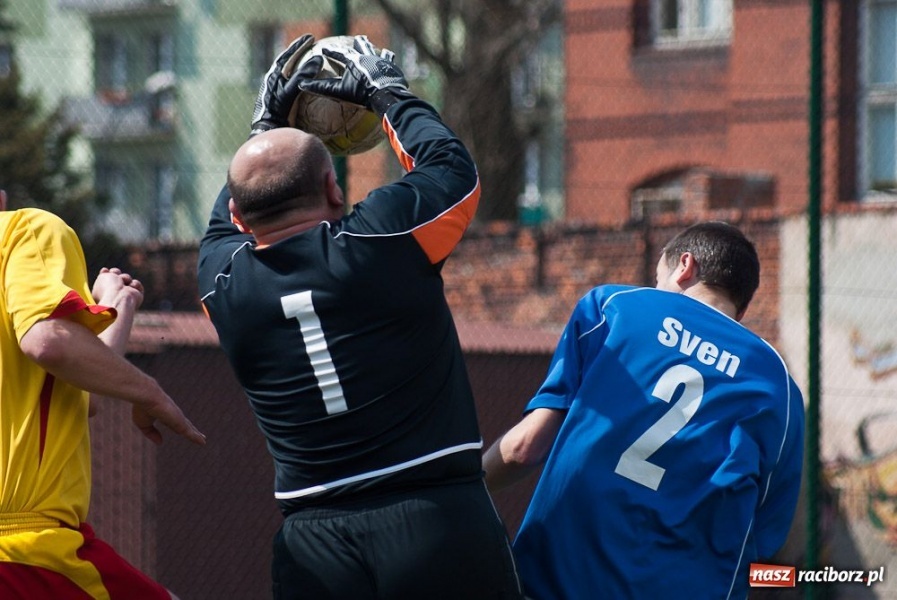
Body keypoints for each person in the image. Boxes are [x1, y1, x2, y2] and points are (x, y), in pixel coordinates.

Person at [197, 34, 522, 599]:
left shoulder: (222, 284)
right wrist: (388, 93)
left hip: (311, 541)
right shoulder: (380, 240)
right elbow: (450, 168)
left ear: (237, 215)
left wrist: (263, 132)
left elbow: (224, 226)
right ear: (332, 186)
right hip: (432, 515)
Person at [483, 221, 805, 600]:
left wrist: (456, 488)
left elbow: (526, 447)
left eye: (657, 279)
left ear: (684, 266)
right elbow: (766, 536)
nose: (655, 291)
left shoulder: (612, 308)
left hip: (560, 580)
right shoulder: (777, 381)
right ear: (742, 306)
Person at [0, 188, 206, 599]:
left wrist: (117, 309)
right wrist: (150, 392)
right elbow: (49, 343)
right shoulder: (24, 230)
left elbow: (75, 390)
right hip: (24, 552)